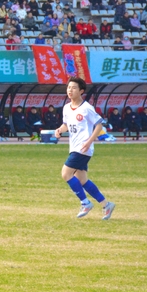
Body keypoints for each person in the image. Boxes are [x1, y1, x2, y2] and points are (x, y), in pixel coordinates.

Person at [55, 77, 115, 219]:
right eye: (69, 87)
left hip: (83, 148)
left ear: (81, 91)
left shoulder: (87, 108)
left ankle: (85, 203)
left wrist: (89, 141)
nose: (70, 90)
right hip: (74, 147)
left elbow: (99, 125)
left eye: (74, 88)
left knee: (65, 173)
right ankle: (106, 204)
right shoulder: (66, 108)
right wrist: (59, 130)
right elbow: (66, 125)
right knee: (82, 180)